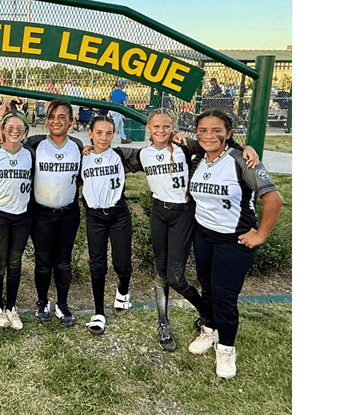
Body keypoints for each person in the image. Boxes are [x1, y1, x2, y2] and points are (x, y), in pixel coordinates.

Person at [136, 109, 258, 351]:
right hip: (159, 211)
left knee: (176, 277)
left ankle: (208, 316)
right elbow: (110, 153)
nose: (161, 131)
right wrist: (87, 149)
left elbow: (215, 141)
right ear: (148, 128)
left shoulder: (186, 146)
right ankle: (164, 322)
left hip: (184, 212)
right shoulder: (141, 154)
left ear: (173, 127)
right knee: (160, 272)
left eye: (166, 126)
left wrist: (247, 148)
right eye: (156, 126)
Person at [186, 109, 282, 379]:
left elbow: (274, 199)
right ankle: (209, 331)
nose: (209, 135)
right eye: (202, 130)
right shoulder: (199, 158)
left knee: (225, 298)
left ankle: (226, 348)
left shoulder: (243, 160)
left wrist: (260, 235)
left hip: (234, 240)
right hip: (204, 235)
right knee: (207, 289)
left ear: (229, 133)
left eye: (216, 130)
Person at [79, 116, 141, 335]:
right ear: (90, 134)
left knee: (122, 263)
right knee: (97, 263)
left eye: (108, 133)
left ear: (113, 135)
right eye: (99, 133)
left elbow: (150, 154)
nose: (103, 137)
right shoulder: (82, 156)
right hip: (95, 216)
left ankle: (123, 291)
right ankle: (98, 312)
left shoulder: (120, 155)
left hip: (118, 215)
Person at [27, 100, 84, 327]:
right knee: (43, 262)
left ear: (71, 121)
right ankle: (42, 302)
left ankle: (62, 304)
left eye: (62, 117)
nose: (56, 121)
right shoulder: (35, 143)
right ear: (46, 120)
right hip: (41, 213)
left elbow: (80, 177)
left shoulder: (78, 146)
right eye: (52, 116)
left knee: (63, 261)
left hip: (68, 212)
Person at [0, 111, 35, 330]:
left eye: (19, 128)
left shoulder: (30, 154)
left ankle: (11, 308)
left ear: (25, 131)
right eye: (10, 128)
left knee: (15, 262)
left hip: (22, 215)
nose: (15, 131)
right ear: (3, 131)